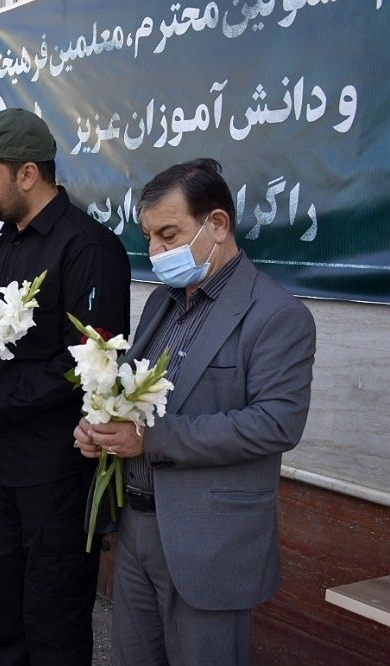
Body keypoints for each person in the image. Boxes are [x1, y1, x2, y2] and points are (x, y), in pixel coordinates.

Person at [73, 158, 316, 666]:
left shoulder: (277, 315)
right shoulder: (161, 303)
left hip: (209, 540)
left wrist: (151, 440)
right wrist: (102, 426)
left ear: (218, 225)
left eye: (168, 235)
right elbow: (133, 397)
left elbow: (276, 423)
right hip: (138, 525)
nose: (157, 253)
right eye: (150, 238)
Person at [0, 108, 132, 664]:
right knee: (5, 603)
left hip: (60, 469)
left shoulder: (87, 248)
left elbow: (86, 362)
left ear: (28, 175)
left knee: (53, 614)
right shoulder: (5, 243)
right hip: (6, 465)